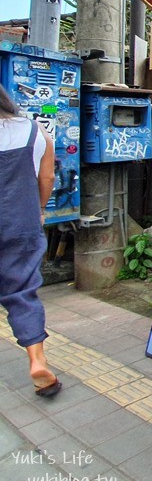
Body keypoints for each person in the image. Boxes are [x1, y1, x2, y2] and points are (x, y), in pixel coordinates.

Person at [0, 85, 59, 398]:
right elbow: (47, 178)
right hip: (20, 223)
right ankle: (37, 360)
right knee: (22, 291)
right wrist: (38, 210)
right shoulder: (36, 132)